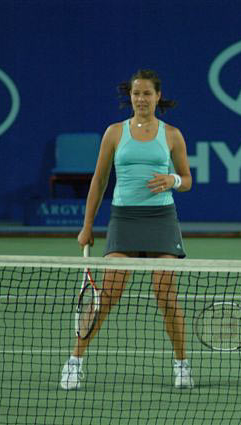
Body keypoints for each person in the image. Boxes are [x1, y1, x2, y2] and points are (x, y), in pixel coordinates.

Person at [60, 69, 194, 390]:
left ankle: (182, 365)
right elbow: (99, 180)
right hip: (124, 219)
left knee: (165, 295)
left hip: (161, 219)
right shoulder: (114, 133)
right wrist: (87, 225)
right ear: (130, 96)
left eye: (147, 93)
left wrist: (172, 180)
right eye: (136, 94)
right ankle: (75, 361)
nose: (141, 99)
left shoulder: (172, 134)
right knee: (108, 295)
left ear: (157, 96)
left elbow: (187, 180)